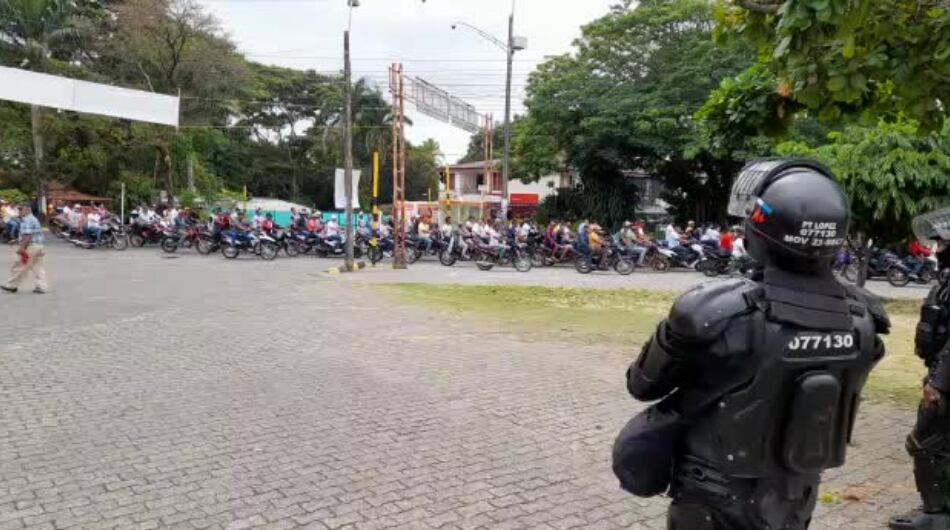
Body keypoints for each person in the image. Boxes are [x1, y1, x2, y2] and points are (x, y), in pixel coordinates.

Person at [615, 159, 889, 530]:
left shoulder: (715, 311)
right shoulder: (866, 318)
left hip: (713, 490)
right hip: (795, 491)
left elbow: (642, 384)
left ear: (758, 229)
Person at [890, 207, 950, 530]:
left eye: (942, 245)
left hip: (946, 381)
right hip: (940, 371)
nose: (937, 250)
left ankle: (936, 513)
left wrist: (939, 383)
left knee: (925, 443)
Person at [2, 204, 48, 294]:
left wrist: (22, 248)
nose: (19, 211)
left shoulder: (27, 220)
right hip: (38, 246)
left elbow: (28, 236)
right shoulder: (32, 219)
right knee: (37, 267)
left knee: (19, 265)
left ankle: (12, 286)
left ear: (27, 210)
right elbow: (30, 234)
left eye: (21, 209)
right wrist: (16, 240)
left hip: (31, 247)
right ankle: (42, 286)